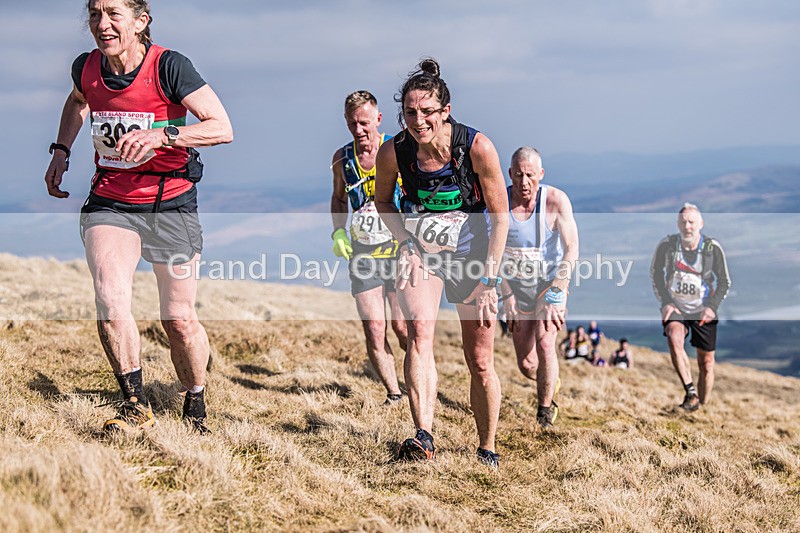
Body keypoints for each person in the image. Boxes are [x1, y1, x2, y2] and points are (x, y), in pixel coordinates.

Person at [44, 0, 233, 433]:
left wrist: (162, 134)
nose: (102, 23)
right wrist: (61, 149)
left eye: (113, 13)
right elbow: (77, 102)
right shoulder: (86, 67)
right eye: (95, 14)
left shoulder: (169, 67)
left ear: (140, 20)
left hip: (171, 201)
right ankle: (135, 405)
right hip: (111, 199)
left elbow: (221, 127)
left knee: (179, 319)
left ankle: (195, 401)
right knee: (111, 299)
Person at [374, 58, 509, 467]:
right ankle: (424, 435)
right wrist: (406, 244)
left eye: (427, 112)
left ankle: (486, 445)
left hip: (472, 257)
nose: (418, 121)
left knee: (480, 360)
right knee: (418, 332)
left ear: (445, 110)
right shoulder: (394, 151)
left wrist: (489, 280)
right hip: (425, 255)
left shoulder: (476, 147)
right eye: (410, 112)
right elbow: (383, 202)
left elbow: (500, 215)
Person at [330, 90, 408, 405]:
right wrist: (338, 232)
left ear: (377, 119)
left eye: (364, 123)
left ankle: (420, 375)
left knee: (402, 327)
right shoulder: (342, 158)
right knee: (375, 328)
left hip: (401, 250)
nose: (359, 131)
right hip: (363, 255)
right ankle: (394, 394)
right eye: (352, 124)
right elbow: (338, 197)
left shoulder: (398, 149)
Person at [498, 147, 579, 428]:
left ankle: (544, 411)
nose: (524, 182)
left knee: (546, 342)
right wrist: (506, 294)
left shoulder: (555, 201)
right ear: (510, 174)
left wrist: (558, 289)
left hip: (549, 283)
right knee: (527, 365)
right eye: (518, 175)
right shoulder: (500, 201)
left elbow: (572, 249)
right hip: (515, 287)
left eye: (530, 175)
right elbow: (492, 254)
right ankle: (549, 380)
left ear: (541, 175)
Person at [650, 203, 731, 411]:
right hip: (676, 306)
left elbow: (724, 282)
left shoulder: (712, 248)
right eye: (683, 222)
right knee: (673, 336)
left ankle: (701, 404)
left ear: (700, 224)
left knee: (706, 363)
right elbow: (656, 273)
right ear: (678, 224)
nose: (687, 226)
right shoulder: (667, 246)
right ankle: (690, 392)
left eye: (692, 222)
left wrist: (712, 307)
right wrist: (666, 302)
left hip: (703, 309)